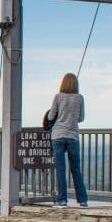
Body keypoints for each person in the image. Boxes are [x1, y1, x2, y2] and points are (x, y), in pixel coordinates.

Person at [46, 72, 88, 207]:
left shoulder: (58, 97)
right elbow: (81, 118)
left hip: (58, 135)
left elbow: (50, 117)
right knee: (75, 168)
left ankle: (62, 199)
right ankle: (83, 200)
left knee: (60, 169)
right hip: (73, 136)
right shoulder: (80, 98)